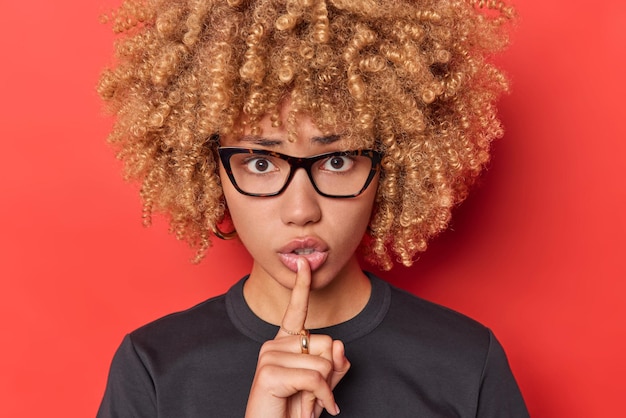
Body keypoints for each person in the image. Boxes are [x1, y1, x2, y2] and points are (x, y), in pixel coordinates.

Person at [96, 0, 528, 417]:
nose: (301, 210)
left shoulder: (467, 364)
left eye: (336, 161)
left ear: (391, 166)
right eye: (261, 163)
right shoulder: (154, 369)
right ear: (210, 170)